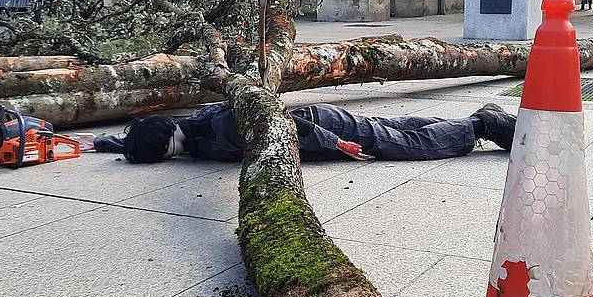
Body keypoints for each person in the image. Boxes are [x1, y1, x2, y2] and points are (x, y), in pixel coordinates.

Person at [80, 101, 517, 164]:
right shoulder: (188, 127)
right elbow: (137, 138)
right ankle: (481, 122)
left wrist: (337, 144)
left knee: (401, 145)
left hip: (319, 126)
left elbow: (288, 125)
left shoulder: (219, 126)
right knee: (395, 128)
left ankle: (482, 124)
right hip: (319, 120)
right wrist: (108, 143)